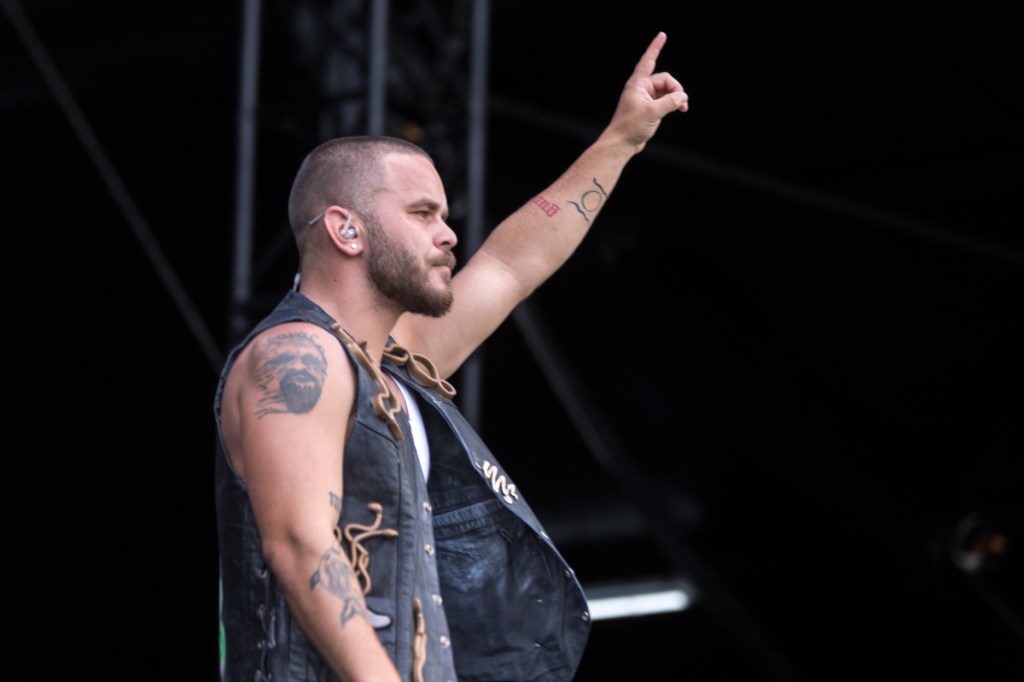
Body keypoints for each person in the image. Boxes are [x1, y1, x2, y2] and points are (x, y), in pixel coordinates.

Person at [214, 31, 688, 682]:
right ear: (346, 229)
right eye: (422, 213)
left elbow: (511, 264)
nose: (448, 233)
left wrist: (622, 139)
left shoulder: (392, 361)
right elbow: (300, 544)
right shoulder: (297, 353)